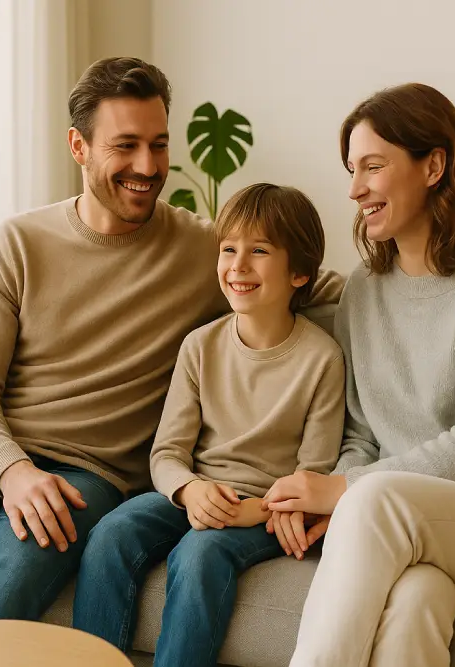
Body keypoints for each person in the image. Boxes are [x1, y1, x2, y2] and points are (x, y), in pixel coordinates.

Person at [0, 57, 345, 646]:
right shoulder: (19, 242)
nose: (147, 167)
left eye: (159, 145)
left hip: (86, 478)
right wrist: (12, 472)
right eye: (126, 146)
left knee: (6, 587)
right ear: (78, 146)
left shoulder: (204, 248)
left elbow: (308, 278)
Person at [261, 83, 455, 667]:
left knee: (372, 501)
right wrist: (345, 488)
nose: (354, 189)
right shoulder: (362, 291)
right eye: (352, 170)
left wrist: (343, 490)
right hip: (414, 524)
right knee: (413, 606)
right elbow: (360, 432)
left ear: (433, 166)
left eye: (373, 167)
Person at [72, 183, 346, 667]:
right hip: (196, 493)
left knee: (200, 554)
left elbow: (314, 473)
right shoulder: (199, 346)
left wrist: (255, 510)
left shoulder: (323, 358)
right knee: (111, 535)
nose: (238, 265)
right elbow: (167, 453)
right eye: (228, 249)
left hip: (263, 510)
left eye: (259, 251)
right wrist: (188, 490)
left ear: (300, 272)